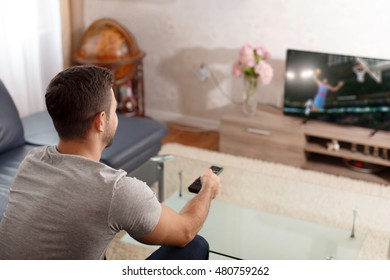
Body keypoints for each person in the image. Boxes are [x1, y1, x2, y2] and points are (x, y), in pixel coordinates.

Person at [0, 65, 221, 260]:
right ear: (101, 121)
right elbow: (185, 231)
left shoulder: (31, 163)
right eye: (115, 110)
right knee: (196, 246)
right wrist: (208, 188)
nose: (118, 117)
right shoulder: (116, 191)